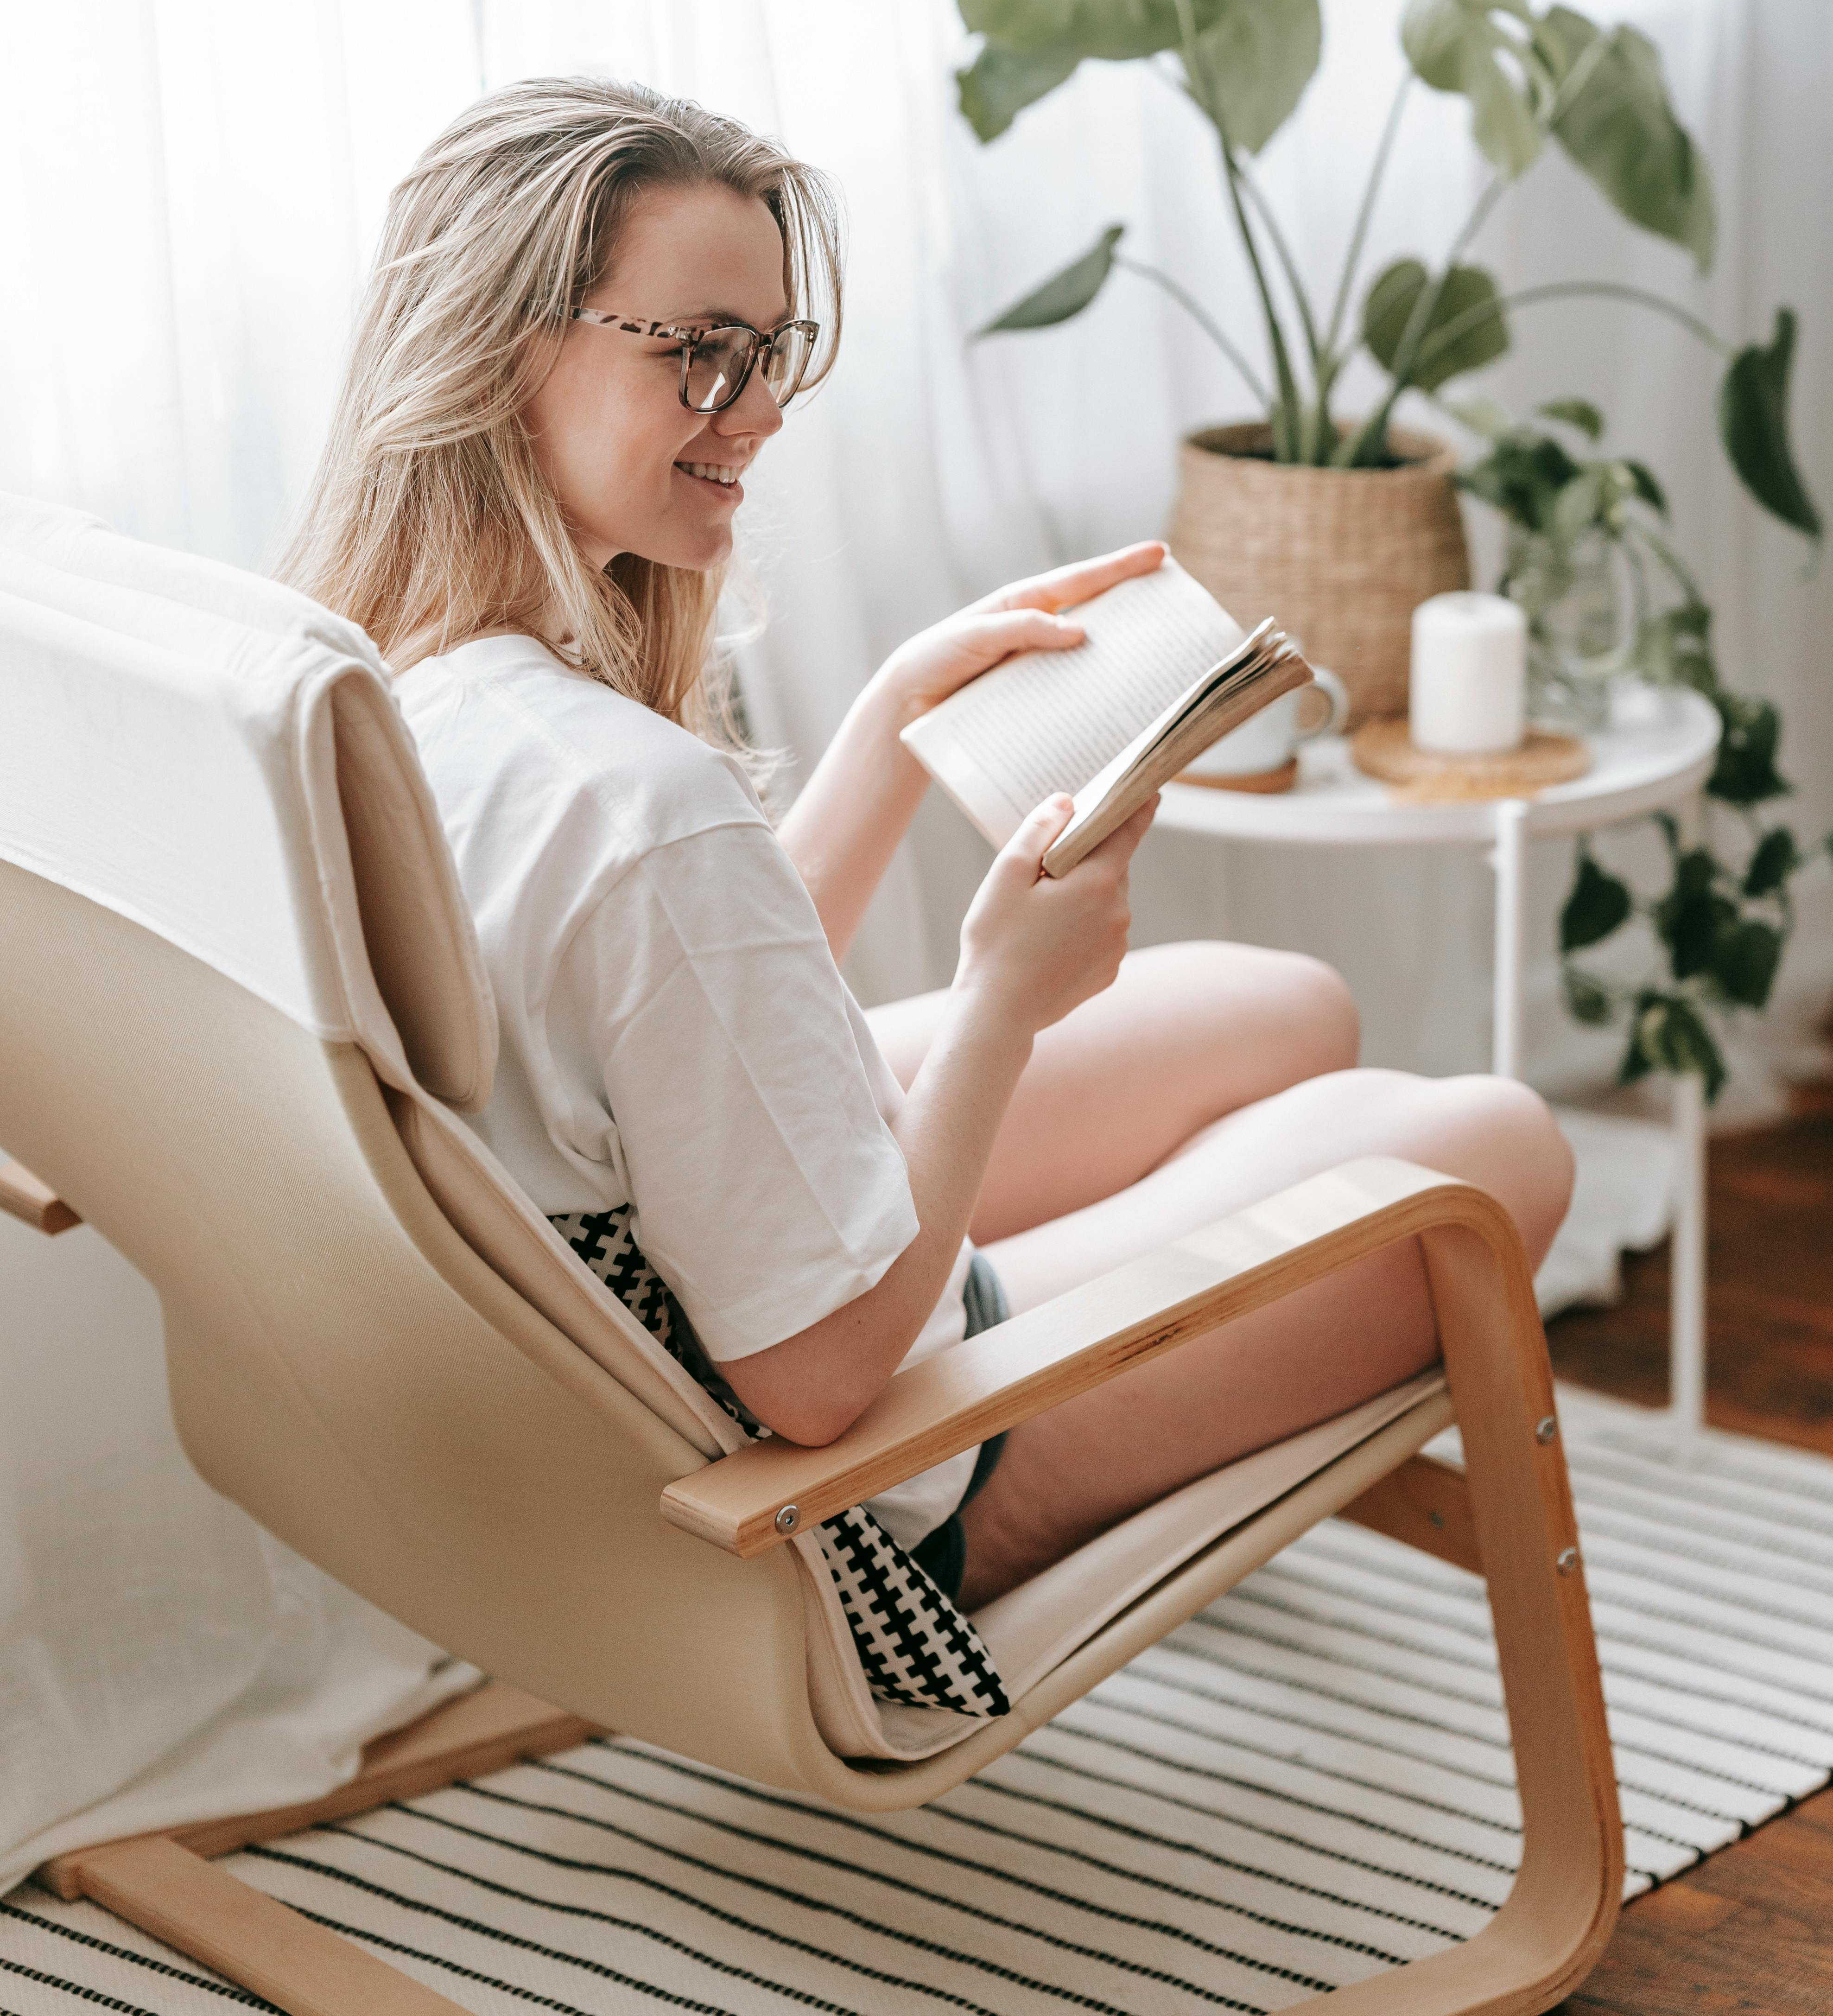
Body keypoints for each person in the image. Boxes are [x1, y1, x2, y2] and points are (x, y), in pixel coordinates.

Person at [285, 77, 1572, 1618]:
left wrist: (902, 712)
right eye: (700, 354)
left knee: (1288, 1010)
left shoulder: (368, 685)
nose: (757, 416)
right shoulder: (634, 799)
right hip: (873, 1471)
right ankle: (1086, 1469)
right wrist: (1001, 1002)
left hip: (635, 1334)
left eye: (769, 357)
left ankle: (1214, 1317)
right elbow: (827, 1381)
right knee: (1499, 1152)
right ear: (504, 347)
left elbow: (680, 1005)